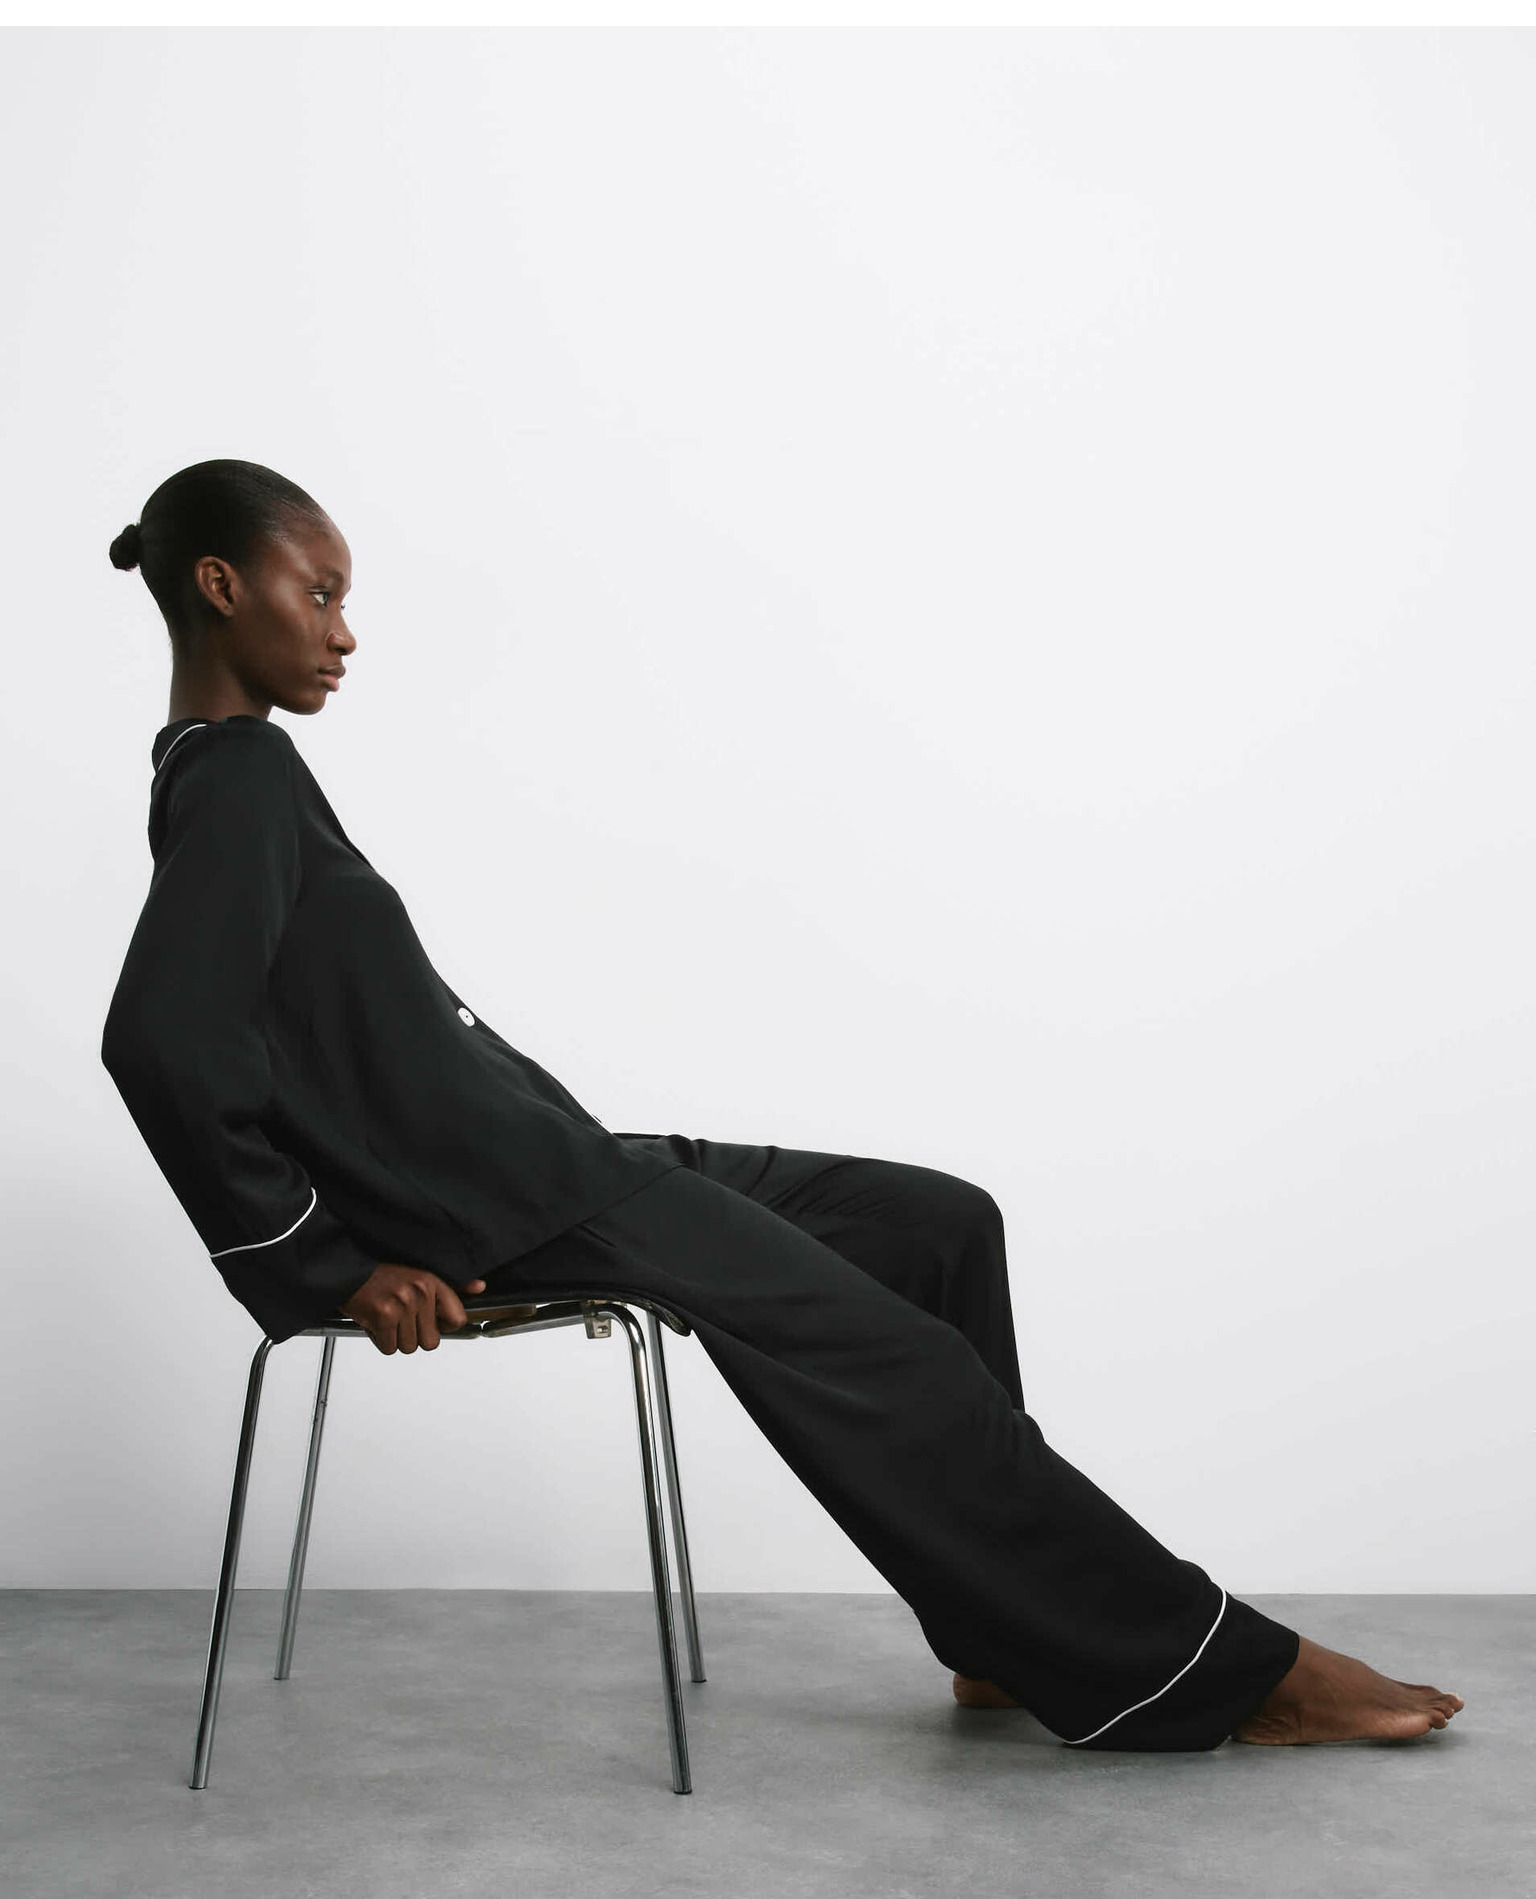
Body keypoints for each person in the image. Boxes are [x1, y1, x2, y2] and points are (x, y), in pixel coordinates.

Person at [100, 457, 1465, 1752]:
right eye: (319, 594)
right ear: (222, 587)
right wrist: (327, 1266)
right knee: (898, 1360)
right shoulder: (238, 775)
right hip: (509, 1205)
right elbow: (160, 1042)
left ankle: (1002, 1632)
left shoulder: (239, 773)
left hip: (555, 1160)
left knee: (937, 1226)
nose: (344, 634)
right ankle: (1200, 1673)